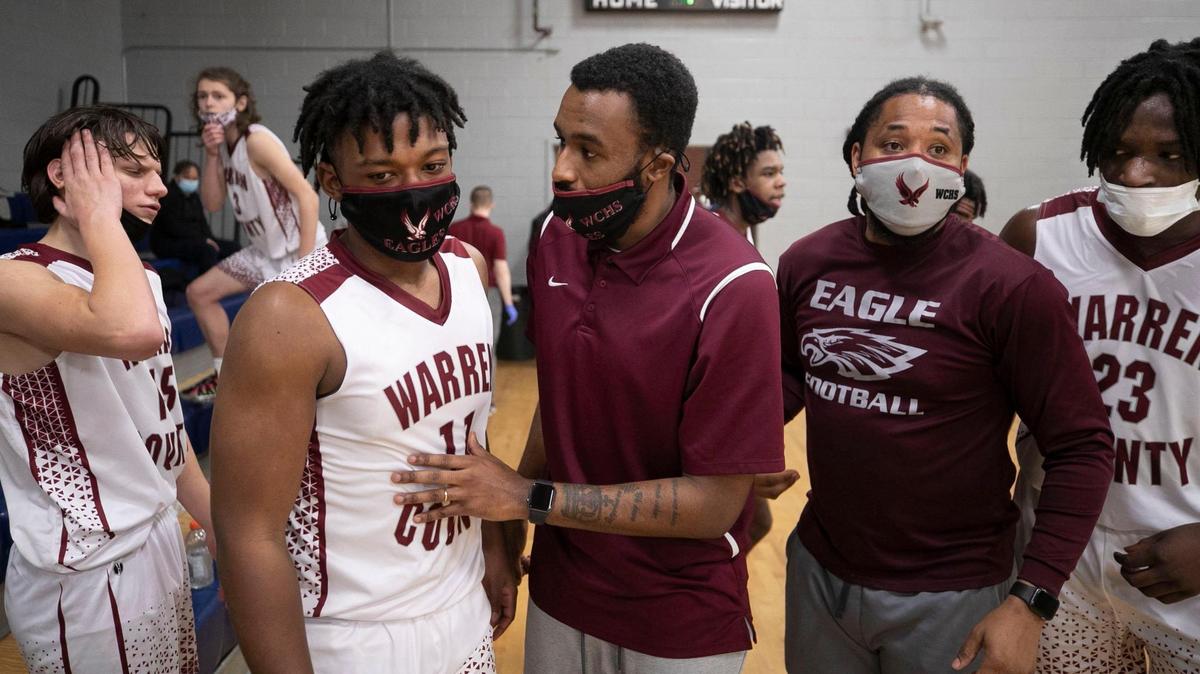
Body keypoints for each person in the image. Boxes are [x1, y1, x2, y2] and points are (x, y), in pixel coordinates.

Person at [391, 42, 785, 673]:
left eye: (589, 151)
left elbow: (715, 505)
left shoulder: (735, 284)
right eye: (561, 142)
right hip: (562, 593)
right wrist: (513, 529)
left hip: (676, 617)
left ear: (657, 166)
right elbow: (563, 392)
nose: (562, 170)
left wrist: (529, 499)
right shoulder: (556, 237)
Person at [777, 77, 1115, 673]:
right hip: (819, 568)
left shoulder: (1013, 287)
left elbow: (1081, 446)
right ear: (857, 156)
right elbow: (785, 380)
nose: (916, 162)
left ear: (961, 166)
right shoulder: (806, 261)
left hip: (952, 590)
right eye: (892, 142)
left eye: (938, 148)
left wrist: (1031, 600)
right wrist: (721, 449)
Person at [210, 51, 516, 674]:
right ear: (330, 180)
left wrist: (495, 546)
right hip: (350, 635)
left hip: (462, 609)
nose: (412, 189)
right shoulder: (288, 316)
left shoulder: (468, 268)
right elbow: (248, 535)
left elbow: (468, 440)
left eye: (432, 166)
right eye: (380, 176)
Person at [1003, 38, 1200, 672]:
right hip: (1055, 557)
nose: (1138, 173)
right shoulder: (1040, 235)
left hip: (1188, 557)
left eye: (1168, 156)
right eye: (1118, 153)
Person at [0, 106, 213, 672]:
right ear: (63, 174)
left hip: (155, 537)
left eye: (159, 169)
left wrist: (213, 518)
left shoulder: (135, 277)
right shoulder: (14, 277)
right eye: (136, 169)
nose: (162, 185)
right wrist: (100, 216)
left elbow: (162, 422)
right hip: (87, 570)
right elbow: (132, 333)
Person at [182, 67, 326, 404]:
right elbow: (212, 203)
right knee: (199, 293)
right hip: (262, 253)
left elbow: (308, 196)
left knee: (289, 341)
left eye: (218, 96)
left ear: (241, 102)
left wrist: (303, 266)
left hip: (299, 250)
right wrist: (212, 155)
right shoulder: (225, 148)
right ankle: (223, 376)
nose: (209, 103)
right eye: (203, 96)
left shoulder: (256, 141)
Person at [700, 121, 799, 551]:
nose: (781, 182)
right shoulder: (713, 240)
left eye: (781, 171)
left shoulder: (741, 230)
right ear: (738, 180)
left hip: (734, 425)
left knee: (754, 525)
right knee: (730, 533)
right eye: (769, 173)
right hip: (708, 428)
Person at [450, 186, 517, 340]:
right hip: (488, 292)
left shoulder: (454, 229)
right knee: (488, 342)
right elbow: (501, 270)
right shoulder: (495, 233)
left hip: (459, 293)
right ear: (491, 205)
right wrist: (509, 303)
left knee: (462, 341)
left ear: (471, 204)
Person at [150, 159, 238, 274]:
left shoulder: (194, 197)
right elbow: (173, 227)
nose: (191, 181)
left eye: (195, 178)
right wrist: (203, 240)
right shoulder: (167, 195)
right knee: (207, 250)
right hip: (169, 242)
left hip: (195, 240)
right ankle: (205, 286)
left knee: (233, 248)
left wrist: (209, 238)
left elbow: (202, 222)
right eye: (188, 178)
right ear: (177, 177)